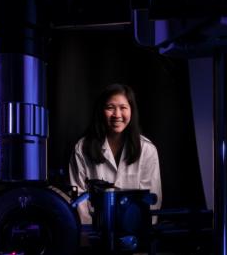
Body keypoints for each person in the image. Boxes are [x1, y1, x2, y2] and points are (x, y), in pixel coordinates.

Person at [69, 83, 162, 224]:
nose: (117, 115)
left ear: (131, 111)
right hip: (94, 232)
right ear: (101, 111)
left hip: (135, 232)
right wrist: (89, 236)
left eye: (123, 108)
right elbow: (79, 197)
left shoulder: (147, 150)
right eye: (110, 108)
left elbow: (152, 199)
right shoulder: (82, 148)